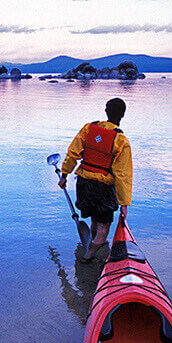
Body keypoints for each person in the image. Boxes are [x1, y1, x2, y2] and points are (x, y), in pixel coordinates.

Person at [58, 98, 132, 262]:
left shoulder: (89, 128)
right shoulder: (121, 141)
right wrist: (124, 204)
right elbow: (123, 175)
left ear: (106, 111)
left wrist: (64, 175)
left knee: (94, 219)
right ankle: (90, 252)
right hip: (103, 187)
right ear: (123, 115)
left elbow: (72, 153)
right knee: (103, 227)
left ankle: (94, 241)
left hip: (83, 183)